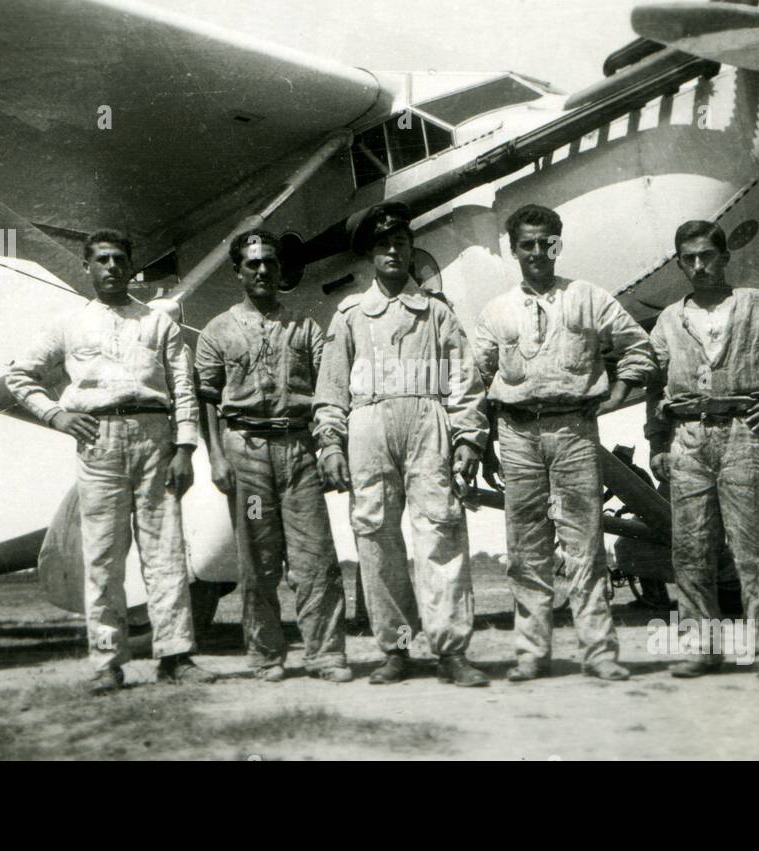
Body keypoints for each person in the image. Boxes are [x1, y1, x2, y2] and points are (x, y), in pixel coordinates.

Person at [6, 229, 215, 694]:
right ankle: (106, 662)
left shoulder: (159, 325)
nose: (112, 267)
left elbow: (184, 390)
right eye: (102, 260)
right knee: (102, 558)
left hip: (154, 440)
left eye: (120, 259)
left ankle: (176, 657)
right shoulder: (68, 325)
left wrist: (184, 449)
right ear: (87, 267)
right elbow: (20, 376)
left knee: (165, 553)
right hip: (98, 442)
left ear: (131, 266)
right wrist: (58, 415)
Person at [474, 204, 657, 682]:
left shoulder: (589, 298)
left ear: (559, 243)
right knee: (526, 547)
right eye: (528, 244)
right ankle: (532, 653)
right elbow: (473, 379)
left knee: (584, 543)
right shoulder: (496, 311)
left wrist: (619, 391)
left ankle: (599, 652)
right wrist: (481, 440)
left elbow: (639, 347)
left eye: (547, 242)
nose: (538, 252)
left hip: (574, 430)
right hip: (516, 433)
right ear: (512, 250)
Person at [313, 202, 490, 687]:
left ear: (412, 250)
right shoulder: (349, 315)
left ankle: (452, 651)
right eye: (384, 244)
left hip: (428, 421)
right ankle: (398, 648)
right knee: (375, 536)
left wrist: (468, 437)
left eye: (401, 242)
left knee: (440, 529)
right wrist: (330, 441)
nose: (393, 250)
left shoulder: (436, 312)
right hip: (367, 425)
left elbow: (463, 379)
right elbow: (330, 388)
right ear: (370, 254)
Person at [645, 220, 759, 681]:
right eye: (689, 258)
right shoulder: (668, 320)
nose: (699, 266)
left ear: (724, 257)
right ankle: (700, 649)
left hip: (744, 433)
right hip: (686, 438)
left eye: (707, 255)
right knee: (690, 550)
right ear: (680, 262)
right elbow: (652, 385)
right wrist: (656, 443)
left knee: (757, 547)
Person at [195, 229, 351, 684]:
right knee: (259, 560)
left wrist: (328, 447)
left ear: (281, 269)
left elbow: (329, 389)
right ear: (237, 271)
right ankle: (266, 656)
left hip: (299, 451)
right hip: (247, 454)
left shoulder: (304, 327)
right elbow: (207, 396)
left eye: (270, 262)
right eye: (252, 263)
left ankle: (325, 655)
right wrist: (217, 457)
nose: (262, 270)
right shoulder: (217, 331)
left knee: (315, 556)